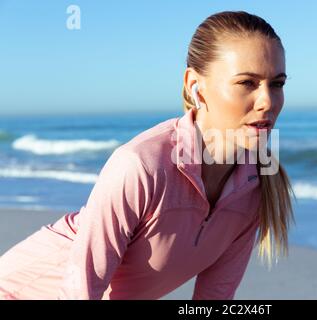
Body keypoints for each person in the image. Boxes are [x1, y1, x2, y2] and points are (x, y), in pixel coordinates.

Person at [0, 10, 295, 300]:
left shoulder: (255, 187)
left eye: (277, 83)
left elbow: (216, 297)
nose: (267, 101)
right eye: (247, 83)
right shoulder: (141, 165)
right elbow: (80, 291)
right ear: (196, 87)